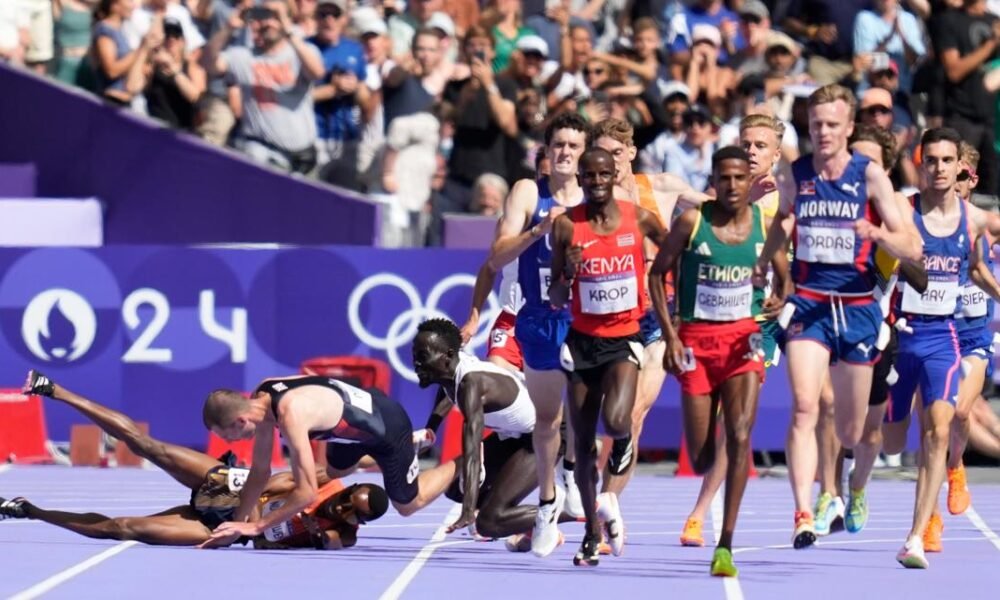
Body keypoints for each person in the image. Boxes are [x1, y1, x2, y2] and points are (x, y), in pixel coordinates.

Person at [752, 83, 923, 549]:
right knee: (807, 407)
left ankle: (856, 486)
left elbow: (913, 246)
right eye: (815, 125)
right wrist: (766, 261)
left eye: (831, 125)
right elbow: (783, 220)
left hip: (860, 307)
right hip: (809, 302)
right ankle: (803, 512)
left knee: (851, 429)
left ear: (849, 128)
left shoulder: (870, 177)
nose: (823, 133)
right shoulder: (796, 172)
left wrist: (876, 232)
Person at [1, 370, 387, 549]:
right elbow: (358, 459)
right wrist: (406, 445)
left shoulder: (344, 534)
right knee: (144, 444)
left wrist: (321, 531)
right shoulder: (325, 485)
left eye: (355, 512)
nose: (345, 507)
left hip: (213, 527)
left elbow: (333, 541)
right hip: (222, 482)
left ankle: (28, 510)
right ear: (349, 490)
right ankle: (56, 390)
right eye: (350, 499)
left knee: (120, 528)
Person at [649, 146, 789, 576]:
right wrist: (671, 336)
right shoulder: (693, 223)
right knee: (702, 453)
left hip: (743, 343)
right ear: (714, 180)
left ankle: (726, 543)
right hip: (696, 343)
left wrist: (780, 297)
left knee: (741, 432)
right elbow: (657, 274)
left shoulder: (764, 226)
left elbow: (785, 277)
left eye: (739, 178)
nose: (731, 186)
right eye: (723, 178)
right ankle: (712, 493)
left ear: (750, 182)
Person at [462, 112, 592, 557]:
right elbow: (494, 259)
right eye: (558, 145)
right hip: (522, 316)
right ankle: (509, 488)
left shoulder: (594, 194)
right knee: (529, 415)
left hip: (577, 318)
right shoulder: (526, 193)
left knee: (588, 411)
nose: (564, 154)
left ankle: (576, 486)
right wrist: (539, 230)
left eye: (574, 146)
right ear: (546, 150)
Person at [881, 127, 1000, 569]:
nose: (945, 172)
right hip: (907, 334)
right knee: (896, 436)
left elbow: (978, 269)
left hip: (956, 336)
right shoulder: (911, 210)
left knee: (947, 422)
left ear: (965, 173)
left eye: (953, 165)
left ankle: (922, 526)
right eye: (933, 161)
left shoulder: (976, 222)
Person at [548, 147, 667, 566]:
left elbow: (674, 254)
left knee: (618, 421)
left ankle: (621, 450)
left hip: (624, 339)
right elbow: (555, 295)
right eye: (589, 175)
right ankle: (589, 531)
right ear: (579, 179)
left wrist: (661, 291)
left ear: (615, 175)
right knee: (581, 445)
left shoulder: (640, 219)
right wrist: (569, 273)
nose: (597, 181)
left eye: (604, 174)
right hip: (582, 343)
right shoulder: (565, 227)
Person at [679, 113, 792, 547]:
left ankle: (824, 500)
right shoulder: (721, 196)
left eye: (760, 146)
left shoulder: (788, 197)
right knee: (723, 426)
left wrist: (785, 288)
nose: (751, 151)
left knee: (818, 403)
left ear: (776, 154)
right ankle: (700, 512)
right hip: (715, 324)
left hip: (764, 323)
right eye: (746, 143)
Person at [590, 117, 712, 502]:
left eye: (615, 154)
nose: (608, 164)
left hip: (658, 315)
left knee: (633, 416)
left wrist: (760, 201)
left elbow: (715, 210)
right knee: (602, 418)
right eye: (601, 155)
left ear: (630, 153)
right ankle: (574, 493)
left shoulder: (662, 187)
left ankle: (608, 506)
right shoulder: (592, 200)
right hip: (610, 316)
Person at [201, 373, 458, 547]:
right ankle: (410, 445)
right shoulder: (262, 394)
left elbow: (306, 494)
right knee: (333, 471)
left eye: (227, 436)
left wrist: (256, 527)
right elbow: (259, 471)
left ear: (240, 421)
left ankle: (463, 460)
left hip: (388, 427)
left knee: (407, 505)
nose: (231, 443)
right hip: (355, 421)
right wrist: (237, 523)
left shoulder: (291, 416)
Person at [837, 123, 927, 538]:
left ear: (885, 168)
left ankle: (857, 488)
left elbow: (920, 278)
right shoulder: (828, 199)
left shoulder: (898, 213)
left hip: (875, 329)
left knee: (870, 432)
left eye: (869, 159)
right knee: (824, 412)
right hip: (828, 323)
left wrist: (885, 241)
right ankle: (826, 498)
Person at [413, 318, 575, 547]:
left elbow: (472, 454)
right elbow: (446, 391)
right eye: (414, 355)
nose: (416, 363)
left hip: (550, 432)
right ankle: (529, 525)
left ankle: (572, 510)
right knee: (454, 488)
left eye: (422, 356)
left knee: (488, 522)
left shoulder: (472, 385)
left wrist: (469, 511)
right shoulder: (452, 371)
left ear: (448, 355)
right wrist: (431, 427)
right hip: (518, 434)